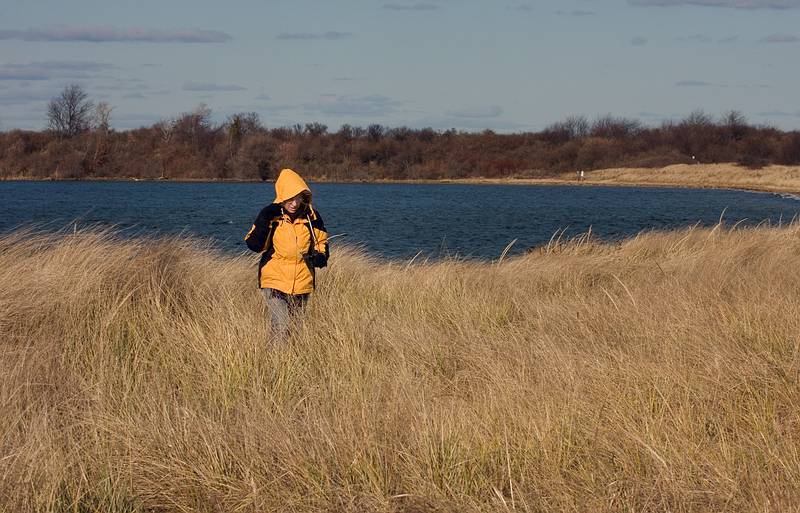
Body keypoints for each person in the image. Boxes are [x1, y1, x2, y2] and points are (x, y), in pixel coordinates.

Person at [244, 168, 329, 338]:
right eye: (290, 199)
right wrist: (264, 218)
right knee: (281, 325)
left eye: (298, 198)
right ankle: (274, 363)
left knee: (295, 329)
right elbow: (254, 245)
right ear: (282, 196)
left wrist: (320, 256)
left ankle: (289, 362)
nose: (294, 203)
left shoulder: (312, 217)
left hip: (302, 280)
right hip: (274, 279)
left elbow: (321, 241)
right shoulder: (271, 216)